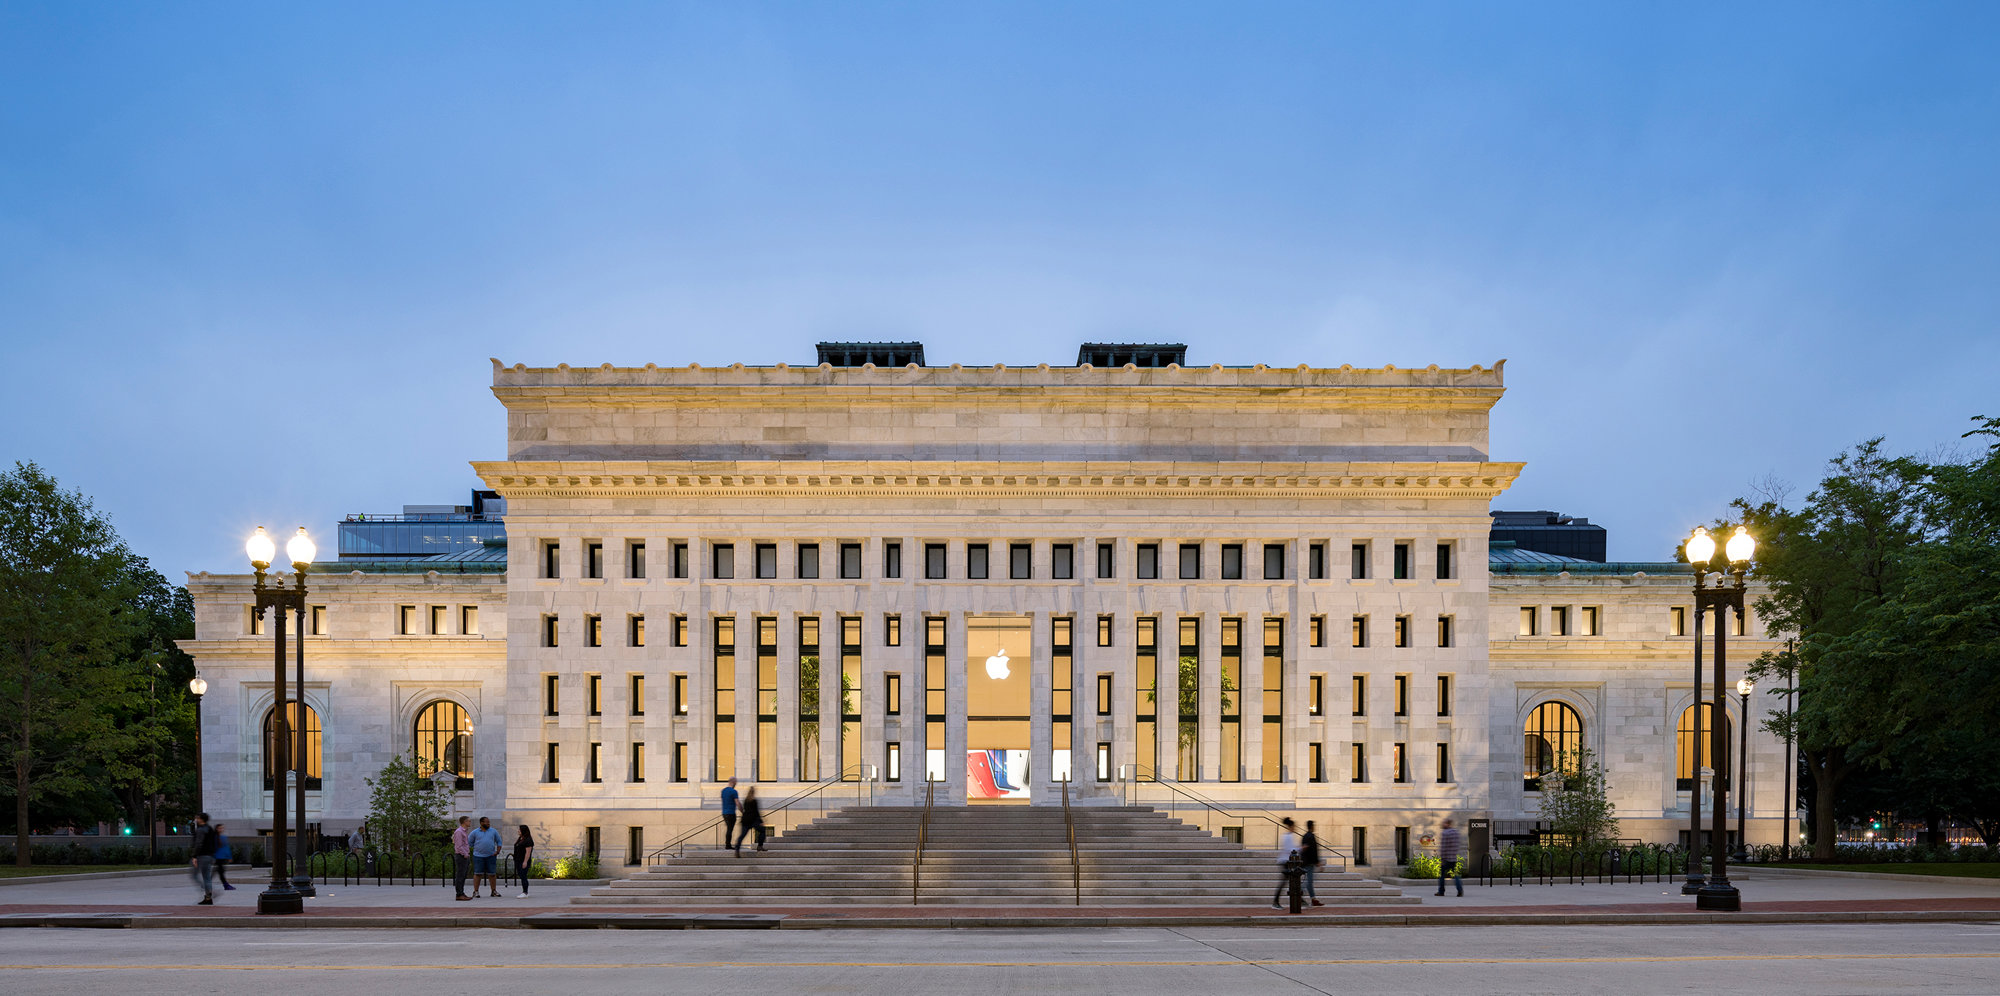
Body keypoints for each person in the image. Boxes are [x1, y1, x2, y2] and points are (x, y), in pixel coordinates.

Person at [469, 816, 503, 898]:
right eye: (486, 822)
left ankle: (493, 891)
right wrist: (477, 848)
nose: (488, 823)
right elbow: (469, 842)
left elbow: (499, 841)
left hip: (491, 856)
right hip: (478, 856)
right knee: (478, 874)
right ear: (481, 823)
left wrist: (497, 851)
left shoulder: (493, 831)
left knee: (492, 874)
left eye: (489, 822)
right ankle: (476, 891)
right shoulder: (475, 832)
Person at [1270, 817, 1300, 909]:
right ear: (1291, 826)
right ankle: (1275, 902)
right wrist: (1302, 848)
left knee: (1287, 881)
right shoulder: (1288, 836)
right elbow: (1290, 849)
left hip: (1286, 861)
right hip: (1285, 862)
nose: (1295, 828)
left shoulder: (1287, 836)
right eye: (1294, 826)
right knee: (1285, 882)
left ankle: (1277, 901)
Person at [189, 812, 217, 905]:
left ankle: (208, 891)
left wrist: (194, 856)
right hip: (209, 855)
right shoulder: (210, 829)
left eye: (197, 817)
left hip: (202, 855)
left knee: (194, 875)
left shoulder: (201, 830)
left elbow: (198, 844)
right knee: (207, 877)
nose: (196, 819)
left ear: (201, 819)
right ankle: (208, 897)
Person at [1435, 817, 1464, 898]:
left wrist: (1442, 858)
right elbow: (1458, 845)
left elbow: (1443, 847)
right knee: (1455, 875)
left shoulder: (1445, 833)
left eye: (1444, 823)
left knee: (1442, 875)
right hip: (1453, 858)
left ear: (1447, 824)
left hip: (1446, 858)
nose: (1442, 824)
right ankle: (1460, 890)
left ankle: (1441, 891)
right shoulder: (1456, 832)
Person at [1299, 820, 1325, 907]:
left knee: (1309, 881)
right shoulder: (1311, 837)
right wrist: (1317, 862)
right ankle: (1300, 893)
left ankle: (1313, 899)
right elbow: (1313, 851)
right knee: (1309, 881)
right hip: (1309, 863)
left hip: (1306, 862)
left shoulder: (1305, 836)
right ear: (1312, 826)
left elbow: (1304, 849)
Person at [733, 787, 764, 855]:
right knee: (762, 831)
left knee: (742, 835)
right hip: (753, 820)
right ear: (753, 792)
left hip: (745, 820)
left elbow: (744, 809)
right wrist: (761, 821)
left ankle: (737, 849)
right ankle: (760, 846)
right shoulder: (754, 801)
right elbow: (756, 812)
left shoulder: (746, 800)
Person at [451, 815, 473, 901]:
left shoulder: (464, 831)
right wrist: (465, 854)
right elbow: (459, 846)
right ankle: (459, 894)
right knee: (460, 875)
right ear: (464, 822)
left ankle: (461, 892)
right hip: (461, 856)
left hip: (465, 855)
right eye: (469, 821)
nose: (470, 822)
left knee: (463, 875)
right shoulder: (459, 832)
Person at [513, 826, 536, 899]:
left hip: (523, 861)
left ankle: (525, 892)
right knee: (521, 875)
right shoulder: (520, 839)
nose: (518, 831)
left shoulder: (528, 840)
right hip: (518, 860)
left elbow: (528, 852)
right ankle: (525, 891)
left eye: (519, 830)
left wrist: (525, 862)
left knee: (523, 876)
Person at [212, 823, 236, 891]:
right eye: (220, 828)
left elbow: (226, 848)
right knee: (220, 872)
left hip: (222, 857)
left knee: (218, 871)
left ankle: (206, 883)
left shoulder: (223, 837)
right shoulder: (214, 838)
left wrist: (229, 856)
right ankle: (226, 885)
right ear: (216, 829)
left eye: (222, 828)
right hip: (218, 857)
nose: (221, 829)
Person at [720, 777, 739, 849]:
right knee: (730, 829)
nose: (736, 784)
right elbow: (737, 802)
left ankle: (728, 844)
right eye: (736, 782)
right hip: (731, 813)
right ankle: (728, 845)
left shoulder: (723, 791)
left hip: (724, 813)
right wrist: (742, 810)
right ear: (733, 782)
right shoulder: (734, 791)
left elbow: (723, 801)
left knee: (729, 828)